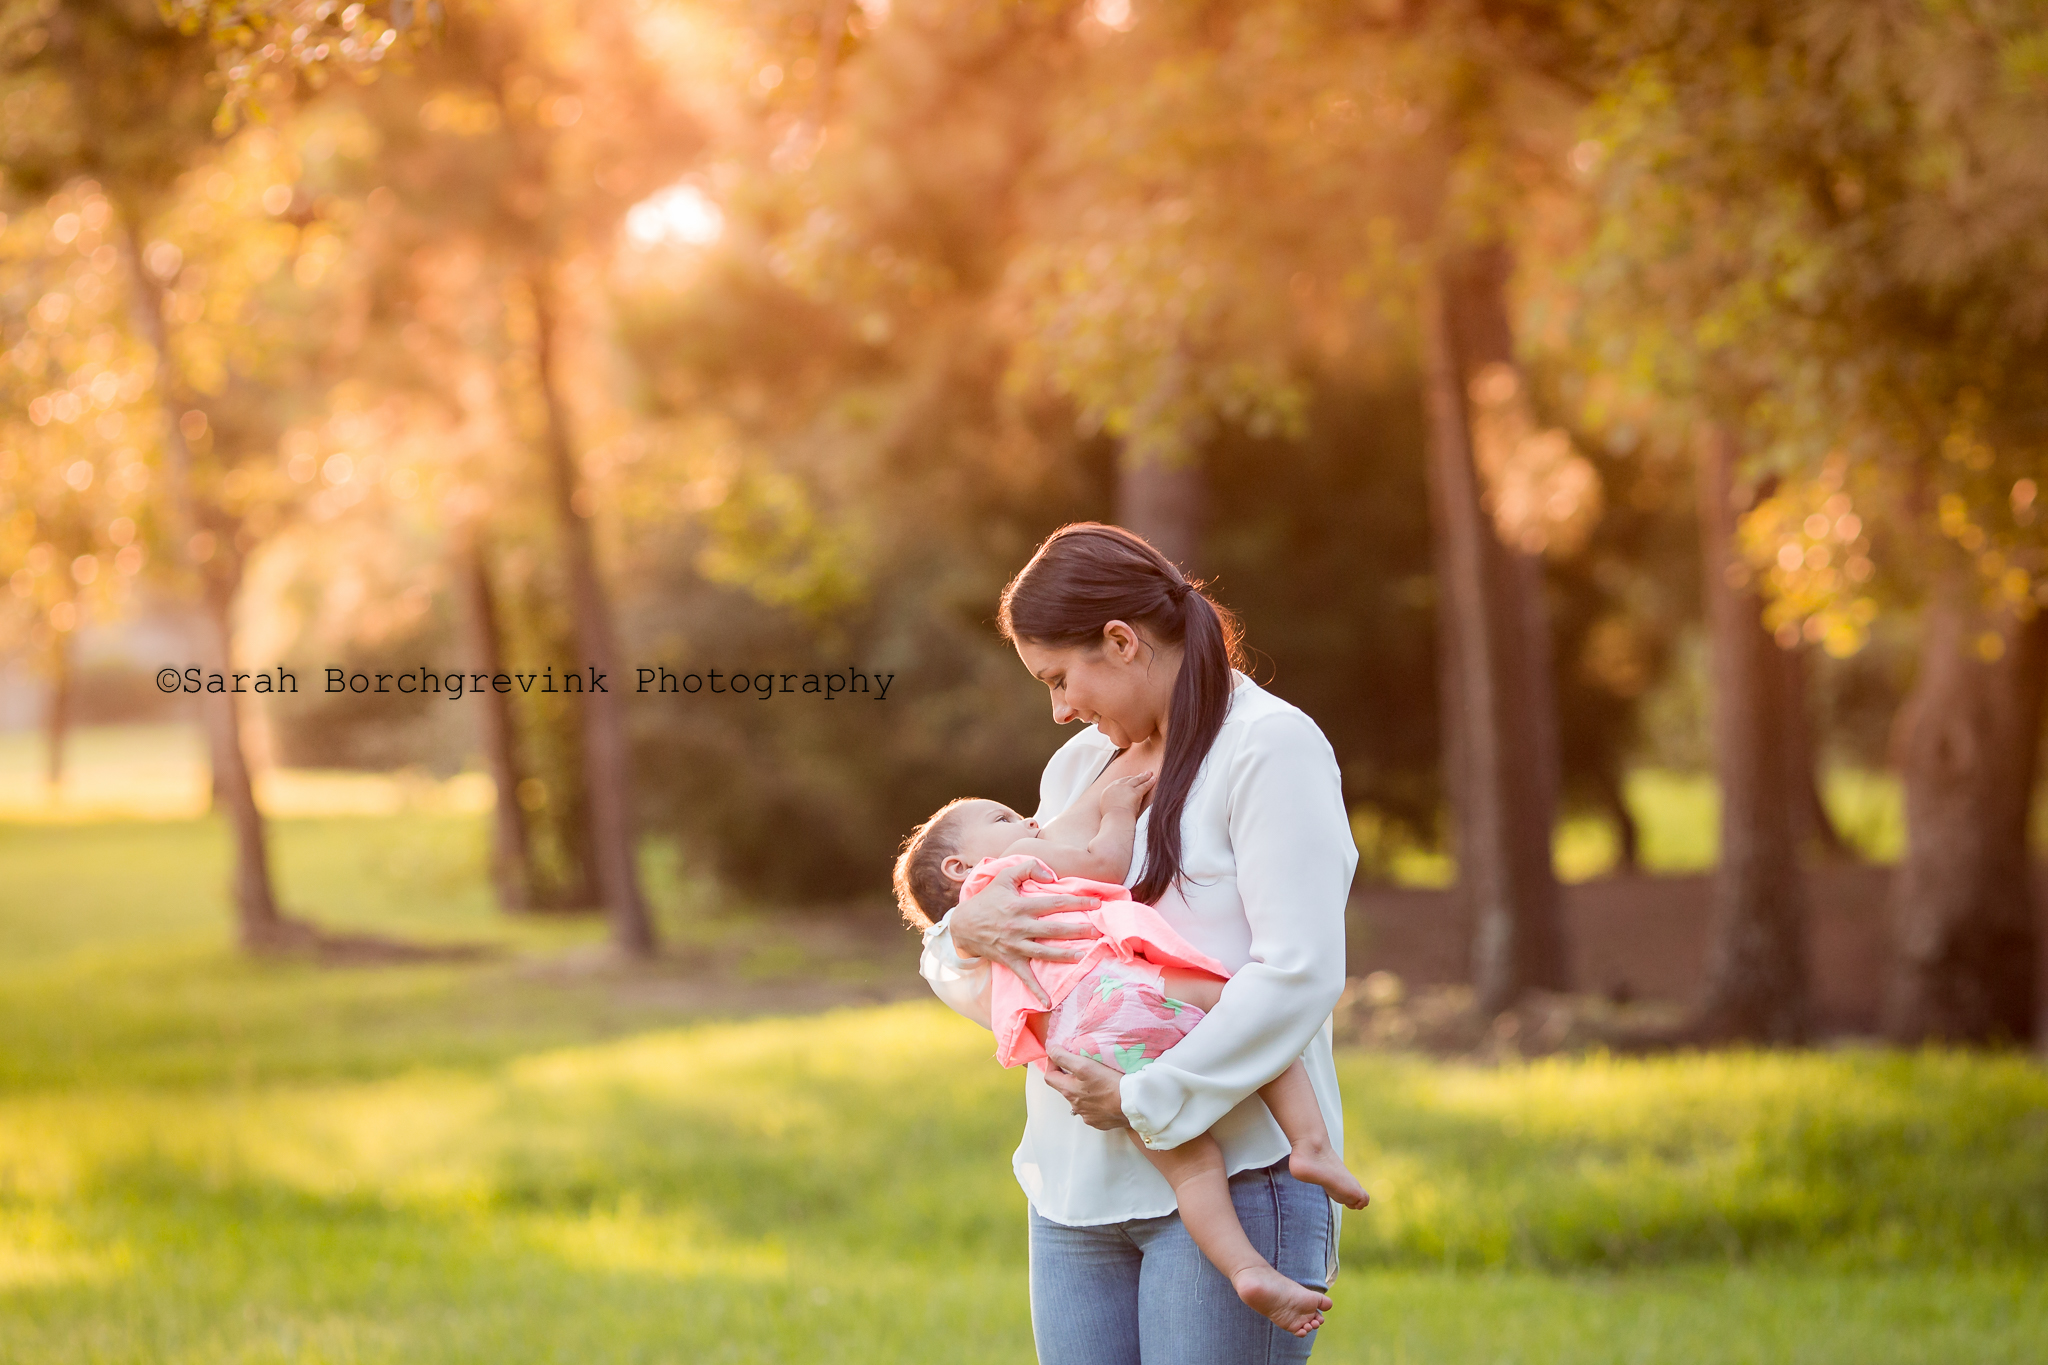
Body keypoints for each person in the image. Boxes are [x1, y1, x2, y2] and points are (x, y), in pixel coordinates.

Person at [917, 522, 1359, 1363]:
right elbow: (1044, 966)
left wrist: (1146, 1097)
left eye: (1059, 677)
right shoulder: (1078, 766)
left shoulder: (1270, 748)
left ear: (1120, 641)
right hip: (1075, 1194)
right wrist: (958, 937)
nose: (1058, 707)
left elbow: (1296, 975)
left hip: (1235, 1175)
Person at [893, 778, 1369, 1337]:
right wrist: (1117, 810)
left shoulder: (980, 938)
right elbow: (1105, 864)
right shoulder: (1007, 870)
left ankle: (1247, 1271)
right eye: (1003, 820)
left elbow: (960, 971)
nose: (1027, 823)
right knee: (1243, 1011)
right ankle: (1311, 1145)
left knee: (1190, 1166)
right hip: (1121, 995)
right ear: (959, 868)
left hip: (1079, 1049)